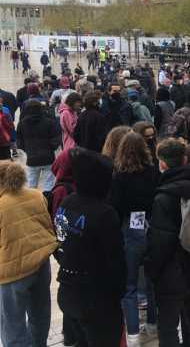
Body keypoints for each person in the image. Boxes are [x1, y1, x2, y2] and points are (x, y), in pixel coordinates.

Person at [54, 147, 126, 346]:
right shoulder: (105, 213)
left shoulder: (67, 202)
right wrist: (118, 293)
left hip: (67, 289)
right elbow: (115, 260)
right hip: (96, 296)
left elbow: (59, 240)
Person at [146, 138, 190, 347]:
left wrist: (152, 271)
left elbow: (160, 243)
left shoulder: (163, 197)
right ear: (185, 159)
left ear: (162, 164)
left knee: (168, 326)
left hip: (172, 272)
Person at [0, 161, 57, 347]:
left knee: (13, 325)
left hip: (12, 273)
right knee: (40, 315)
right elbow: (47, 225)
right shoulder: (36, 195)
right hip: (41, 264)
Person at [109, 133, 159, 346]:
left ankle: (132, 334)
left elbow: (115, 207)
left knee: (128, 286)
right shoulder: (153, 171)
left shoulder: (119, 176)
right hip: (151, 227)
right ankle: (153, 323)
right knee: (151, 281)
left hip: (129, 231)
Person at [16, 100, 61, 192]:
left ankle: (33, 203)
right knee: (49, 185)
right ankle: (47, 202)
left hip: (32, 158)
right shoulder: (49, 122)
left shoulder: (22, 123)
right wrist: (51, 148)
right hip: (48, 157)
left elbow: (19, 141)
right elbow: (56, 138)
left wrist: (27, 149)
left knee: (31, 185)